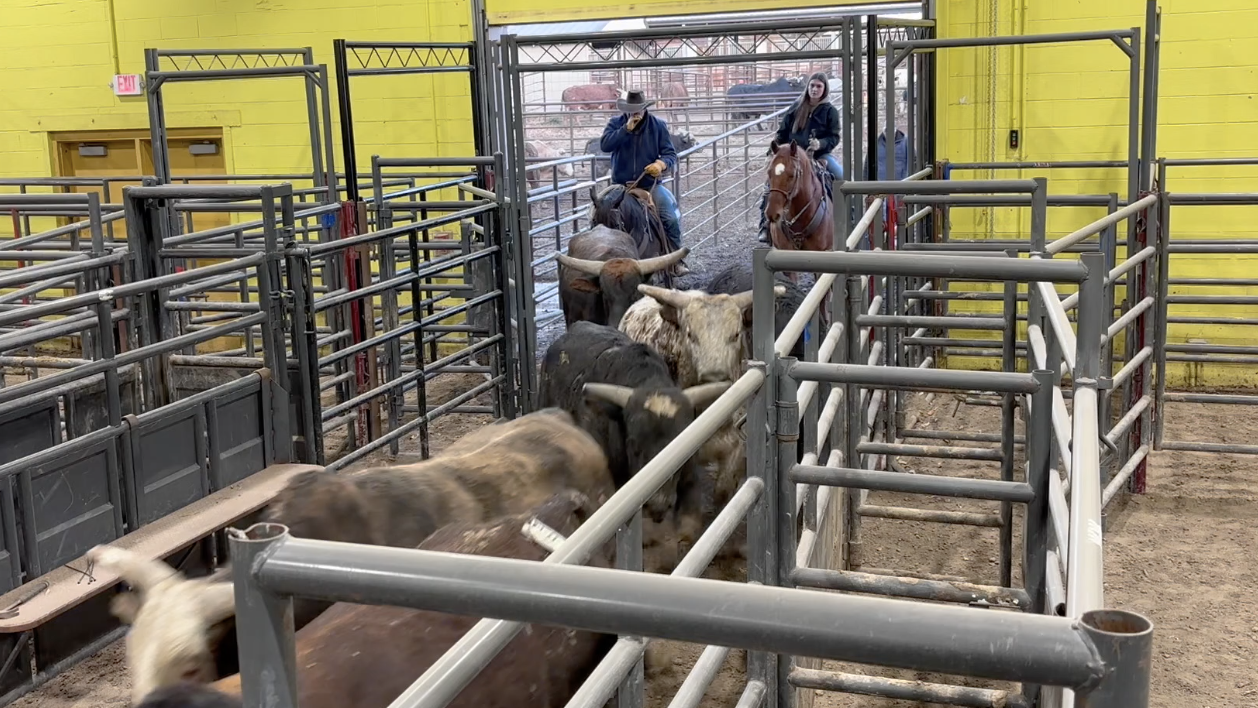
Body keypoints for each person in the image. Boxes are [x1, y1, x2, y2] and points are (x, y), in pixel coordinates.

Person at [600, 89, 690, 276]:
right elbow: (605, 145)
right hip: (620, 186)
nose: (635, 113)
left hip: (649, 185)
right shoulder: (615, 124)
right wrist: (625, 130)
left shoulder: (658, 126)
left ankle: (675, 259)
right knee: (600, 214)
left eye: (637, 109)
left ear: (644, 108)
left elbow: (670, 153)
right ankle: (596, 258)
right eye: (631, 110)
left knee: (669, 217)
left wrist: (661, 163)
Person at [757, 72, 844, 243]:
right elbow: (782, 133)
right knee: (771, 184)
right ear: (807, 87)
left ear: (824, 89)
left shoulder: (830, 111)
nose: (814, 89)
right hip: (791, 156)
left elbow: (834, 137)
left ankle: (845, 221)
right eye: (812, 85)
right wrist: (772, 152)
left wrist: (821, 143)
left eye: (819, 86)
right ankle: (765, 225)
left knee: (841, 176)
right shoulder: (796, 107)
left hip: (818, 155)